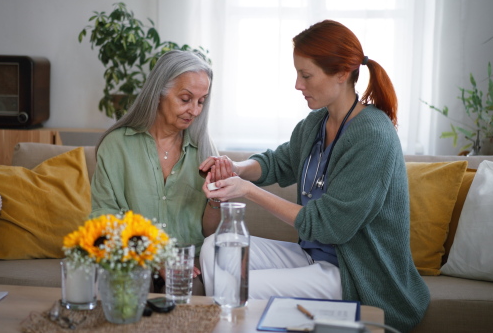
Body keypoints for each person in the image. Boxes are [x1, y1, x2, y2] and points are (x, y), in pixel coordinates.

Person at [199, 20, 430, 332]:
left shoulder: (373, 136)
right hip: (310, 257)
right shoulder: (315, 124)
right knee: (214, 248)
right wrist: (236, 169)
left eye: (306, 75)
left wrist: (247, 191)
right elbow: (277, 163)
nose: (297, 84)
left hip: (353, 273)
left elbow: (329, 225)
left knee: (242, 288)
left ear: (341, 73)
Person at [90, 50, 225, 290]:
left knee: (187, 296)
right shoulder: (116, 145)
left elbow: (210, 232)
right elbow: (104, 217)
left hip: (187, 260)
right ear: (159, 93)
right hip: (130, 256)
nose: (194, 110)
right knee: (123, 290)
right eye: (185, 99)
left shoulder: (205, 150)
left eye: (201, 101)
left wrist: (218, 198)